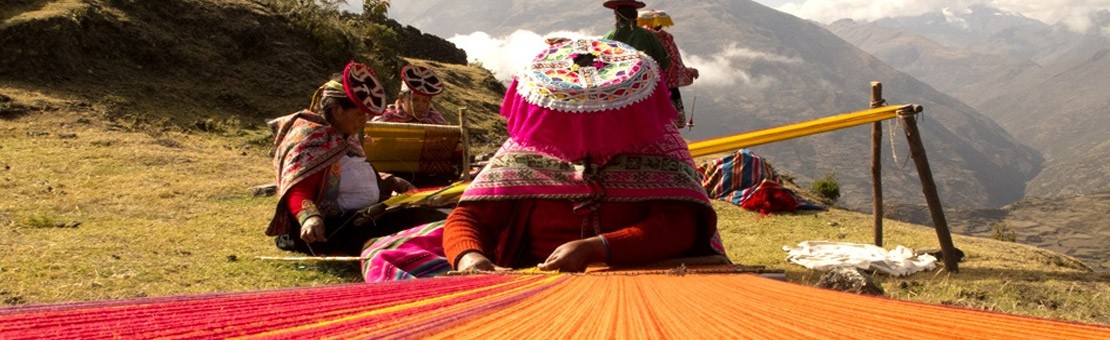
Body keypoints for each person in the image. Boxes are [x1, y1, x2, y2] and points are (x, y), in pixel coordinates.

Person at [442, 38, 726, 273]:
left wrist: (599, 247)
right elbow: (470, 218)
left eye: (598, 118)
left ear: (627, 110)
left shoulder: (658, 143)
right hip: (534, 282)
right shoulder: (529, 146)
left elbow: (681, 225)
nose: (584, 128)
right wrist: (470, 258)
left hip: (646, 275)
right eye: (572, 118)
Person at [265, 61, 416, 256]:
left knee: (414, 217)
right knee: (399, 230)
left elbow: (356, 172)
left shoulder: (346, 138)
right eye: (359, 114)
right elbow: (296, 187)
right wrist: (310, 218)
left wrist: (390, 181)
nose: (364, 121)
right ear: (338, 110)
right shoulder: (311, 137)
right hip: (328, 228)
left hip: (360, 217)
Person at [639, 9, 699, 128]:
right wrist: (690, 72)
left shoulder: (641, 38)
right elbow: (675, 62)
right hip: (670, 86)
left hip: (649, 84)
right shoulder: (667, 39)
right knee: (671, 122)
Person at [602, 0, 670, 71]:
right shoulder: (647, 34)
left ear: (617, 16)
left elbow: (600, 60)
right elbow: (664, 61)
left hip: (616, 79)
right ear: (636, 15)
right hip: (645, 78)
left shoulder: (609, 37)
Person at [371, 64, 450, 125]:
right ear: (401, 98)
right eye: (414, 100)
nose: (420, 105)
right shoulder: (385, 120)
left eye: (425, 101)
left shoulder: (436, 120)